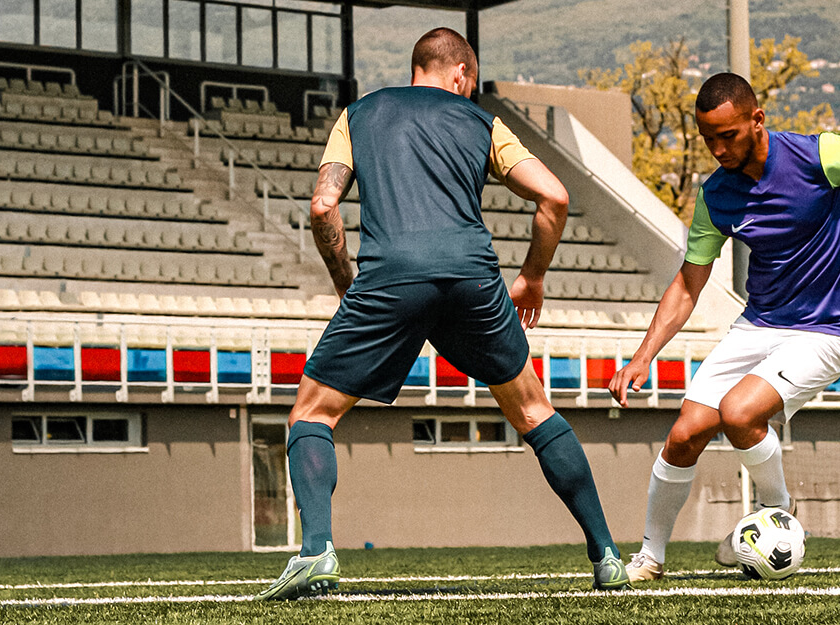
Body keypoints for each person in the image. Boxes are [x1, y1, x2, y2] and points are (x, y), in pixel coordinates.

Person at [254, 27, 630, 601]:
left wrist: (347, 286)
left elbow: (323, 205)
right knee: (533, 411)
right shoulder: (480, 122)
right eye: (470, 83)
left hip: (390, 276)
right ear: (460, 75)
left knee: (312, 413)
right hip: (471, 276)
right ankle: (606, 554)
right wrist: (531, 276)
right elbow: (553, 195)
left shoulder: (357, 116)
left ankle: (316, 553)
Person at [606, 72, 840, 581]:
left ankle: (780, 513)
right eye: (708, 139)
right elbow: (687, 285)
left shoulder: (820, 155)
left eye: (729, 136)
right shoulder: (716, 196)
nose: (718, 149)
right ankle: (650, 559)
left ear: (757, 119)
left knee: (739, 413)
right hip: (759, 325)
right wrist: (643, 355)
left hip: (826, 330)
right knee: (683, 435)